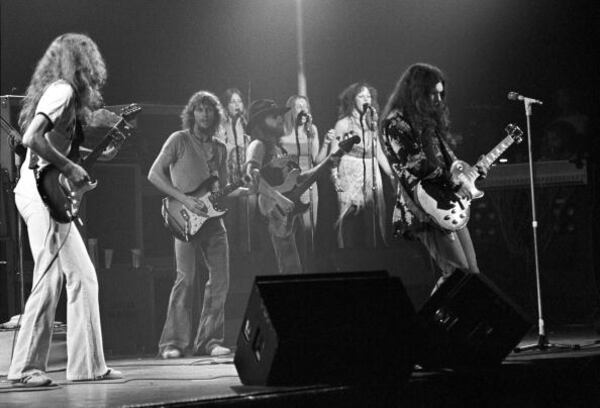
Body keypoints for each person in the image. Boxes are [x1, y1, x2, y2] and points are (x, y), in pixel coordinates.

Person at [8, 33, 123, 386]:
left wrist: (89, 158)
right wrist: (72, 169)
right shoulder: (63, 91)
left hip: (48, 192)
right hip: (38, 193)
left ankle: (87, 366)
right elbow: (31, 139)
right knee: (51, 275)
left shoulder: (67, 99)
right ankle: (25, 368)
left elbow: (58, 153)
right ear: (83, 64)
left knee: (83, 276)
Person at [380, 63, 489, 292]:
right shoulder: (395, 123)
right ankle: (431, 325)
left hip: (447, 202)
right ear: (417, 93)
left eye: (441, 94)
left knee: (471, 273)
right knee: (456, 273)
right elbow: (416, 164)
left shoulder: (427, 122)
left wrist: (471, 172)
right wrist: (452, 180)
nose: (438, 100)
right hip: (424, 206)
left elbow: (449, 162)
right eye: (432, 94)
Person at [148, 91, 234, 359]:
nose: (204, 114)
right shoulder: (179, 140)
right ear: (192, 113)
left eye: (209, 109)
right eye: (199, 109)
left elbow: (223, 188)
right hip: (184, 218)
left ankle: (209, 340)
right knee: (186, 279)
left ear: (216, 114)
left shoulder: (221, 148)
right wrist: (184, 199)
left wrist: (249, 189)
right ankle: (172, 342)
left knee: (220, 280)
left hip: (213, 221)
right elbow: (154, 174)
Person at [329, 82, 394, 248]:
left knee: (371, 216)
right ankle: (346, 254)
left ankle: (372, 253)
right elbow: (334, 155)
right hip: (350, 170)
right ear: (353, 100)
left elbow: (378, 151)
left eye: (368, 96)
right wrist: (335, 178)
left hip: (371, 170)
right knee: (348, 216)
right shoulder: (343, 124)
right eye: (361, 96)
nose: (366, 99)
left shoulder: (372, 123)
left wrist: (391, 174)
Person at [280, 95, 334, 272]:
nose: (302, 109)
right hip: (288, 186)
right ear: (291, 110)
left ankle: (309, 266)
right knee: (289, 228)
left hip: (309, 184)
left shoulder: (312, 131)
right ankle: (291, 267)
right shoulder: (282, 131)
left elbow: (317, 160)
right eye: (298, 106)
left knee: (309, 228)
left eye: (305, 106)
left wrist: (326, 143)